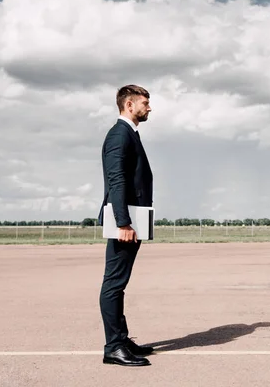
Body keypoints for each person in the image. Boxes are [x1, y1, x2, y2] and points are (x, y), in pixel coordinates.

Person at [97, 84, 154, 367]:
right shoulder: (120, 135)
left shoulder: (129, 133)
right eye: (145, 102)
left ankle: (122, 339)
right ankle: (114, 346)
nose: (149, 107)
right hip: (125, 222)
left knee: (119, 284)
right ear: (129, 105)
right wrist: (123, 222)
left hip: (130, 219)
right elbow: (117, 179)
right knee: (114, 284)